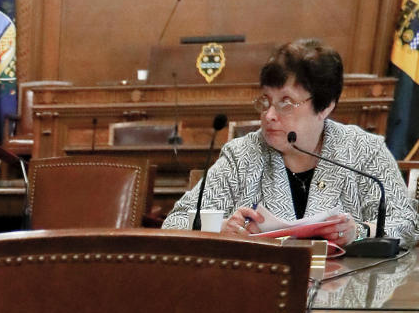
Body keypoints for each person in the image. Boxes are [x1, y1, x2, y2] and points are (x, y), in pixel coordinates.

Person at [163, 39, 419, 251]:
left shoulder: (364, 151)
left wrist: (359, 232)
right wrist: (219, 229)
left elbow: (407, 225)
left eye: (286, 102)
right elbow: (174, 223)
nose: (269, 115)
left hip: (343, 297)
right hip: (261, 293)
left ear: (325, 105)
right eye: (266, 101)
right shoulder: (242, 155)